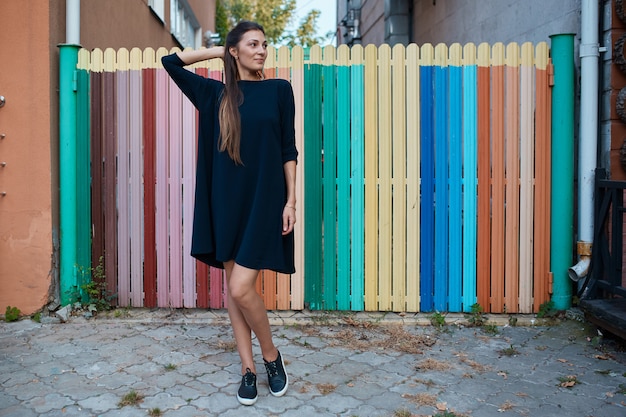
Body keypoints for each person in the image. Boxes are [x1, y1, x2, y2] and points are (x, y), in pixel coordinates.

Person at [162, 21, 297, 406]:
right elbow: (170, 62)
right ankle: (247, 369)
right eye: (253, 44)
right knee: (234, 291)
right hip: (226, 201)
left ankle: (271, 356)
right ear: (235, 50)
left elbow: (288, 149)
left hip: (265, 201)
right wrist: (219, 52)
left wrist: (291, 201)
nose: (262, 50)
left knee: (241, 287)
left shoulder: (278, 90)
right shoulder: (214, 94)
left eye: (265, 44)